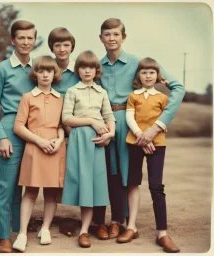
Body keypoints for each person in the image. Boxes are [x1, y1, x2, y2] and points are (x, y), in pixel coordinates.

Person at [92, 18, 185, 243]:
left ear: (124, 37)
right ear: (101, 38)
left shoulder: (138, 62)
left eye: (116, 34)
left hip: (132, 123)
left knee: (129, 175)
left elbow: (178, 87)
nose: (112, 38)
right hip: (105, 123)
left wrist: (156, 127)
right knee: (109, 173)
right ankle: (113, 221)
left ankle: (124, 222)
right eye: (107, 34)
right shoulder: (97, 65)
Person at [116, 57, 180, 253]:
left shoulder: (162, 98)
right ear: (138, 76)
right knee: (133, 182)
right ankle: (131, 227)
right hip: (135, 142)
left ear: (158, 75)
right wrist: (140, 137)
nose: (148, 76)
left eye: (152, 72)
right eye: (144, 72)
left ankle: (162, 233)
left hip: (157, 144)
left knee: (156, 186)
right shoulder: (133, 96)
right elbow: (129, 117)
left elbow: (164, 121)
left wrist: (151, 137)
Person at [0, 20, 37, 253]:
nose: (26, 42)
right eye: (21, 38)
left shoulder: (40, 68)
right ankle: (4, 237)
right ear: (12, 40)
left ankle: (19, 230)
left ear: (34, 40)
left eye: (30, 38)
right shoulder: (2, 69)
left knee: (24, 184)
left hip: (35, 130)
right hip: (10, 129)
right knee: (7, 186)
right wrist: (1, 137)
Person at [61, 50, 116, 248]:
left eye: (91, 67)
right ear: (78, 70)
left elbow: (109, 117)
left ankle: (87, 227)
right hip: (79, 141)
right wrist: (92, 121)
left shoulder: (102, 92)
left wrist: (110, 134)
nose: (87, 71)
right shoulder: (72, 91)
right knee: (83, 182)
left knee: (95, 185)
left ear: (96, 70)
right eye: (83, 67)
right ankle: (84, 231)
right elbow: (66, 118)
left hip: (98, 142)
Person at [12, 56, 66, 252]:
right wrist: (39, 141)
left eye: (49, 71)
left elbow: (61, 126)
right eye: (41, 71)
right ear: (35, 74)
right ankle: (22, 233)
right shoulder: (28, 97)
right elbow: (18, 126)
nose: (45, 74)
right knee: (31, 192)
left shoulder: (60, 99)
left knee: (51, 193)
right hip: (35, 147)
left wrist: (59, 141)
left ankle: (45, 229)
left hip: (55, 148)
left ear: (54, 74)